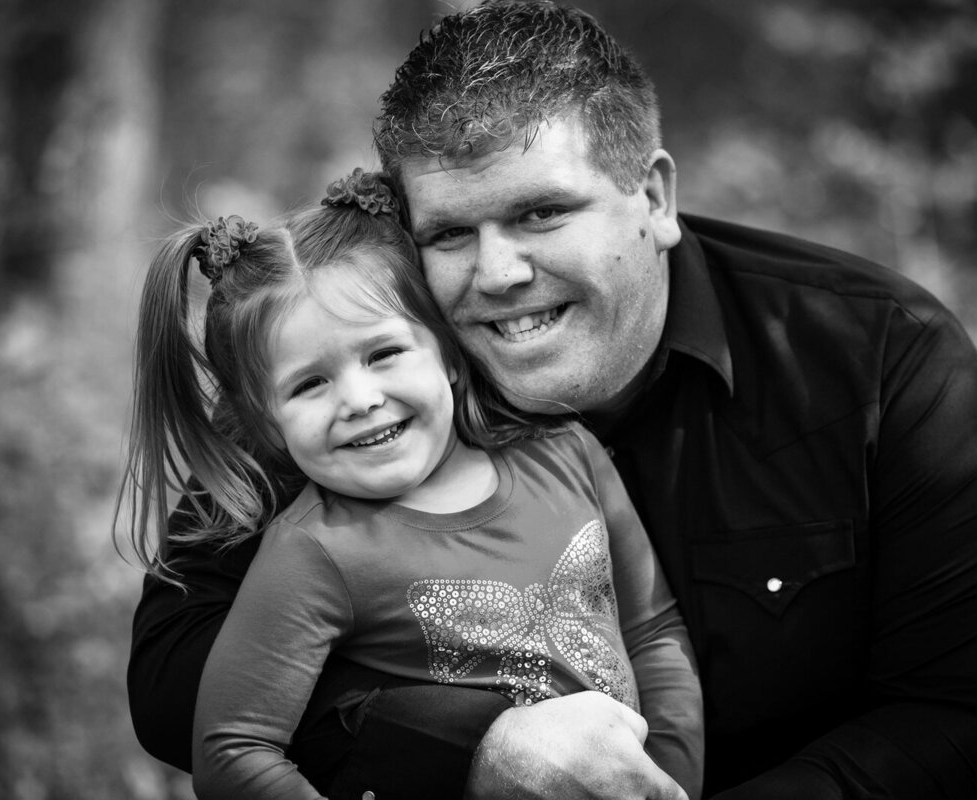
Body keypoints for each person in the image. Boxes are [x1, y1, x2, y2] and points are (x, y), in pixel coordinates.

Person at [125, 2, 977, 798]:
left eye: (541, 212)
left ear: (652, 196)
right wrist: (466, 749)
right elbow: (175, 681)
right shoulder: (365, 370)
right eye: (450, 231)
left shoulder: (882, 356)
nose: (496, 274)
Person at [118, 169, 704, 799]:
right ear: (264, 421)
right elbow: (233, 750)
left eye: (383, 354)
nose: (361, 400)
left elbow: (653, 631)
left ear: (451, 353)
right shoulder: (312, 554)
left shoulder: (566, 452)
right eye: (310, 384)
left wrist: (669, 779)